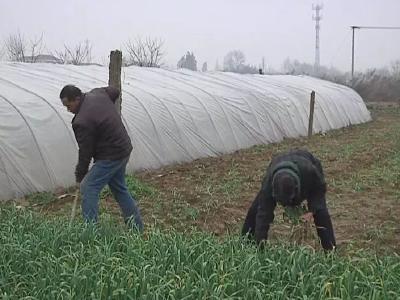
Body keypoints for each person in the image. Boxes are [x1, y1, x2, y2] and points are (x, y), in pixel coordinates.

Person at [60, 84, 143, 231]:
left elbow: (85, 151)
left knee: (88, 187)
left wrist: (80, 175)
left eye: (69, 105)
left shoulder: (81, 121)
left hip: (110, 155)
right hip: (123, 148)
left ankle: (90, 233)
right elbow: (114, 91)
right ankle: (137, 227)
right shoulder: (98, 93)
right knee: (119, 189)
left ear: (77, 99)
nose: (68, 110)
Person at [242, 149, 336, 250]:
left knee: (321, 213)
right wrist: (260, 246)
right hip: (281, 163)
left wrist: (312, 210)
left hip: (306, 165)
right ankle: (245, 243)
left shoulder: (309, 171)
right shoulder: (269, 184)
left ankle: (330, 250)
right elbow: (263, 214)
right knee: (256, 210)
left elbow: (320, 189)